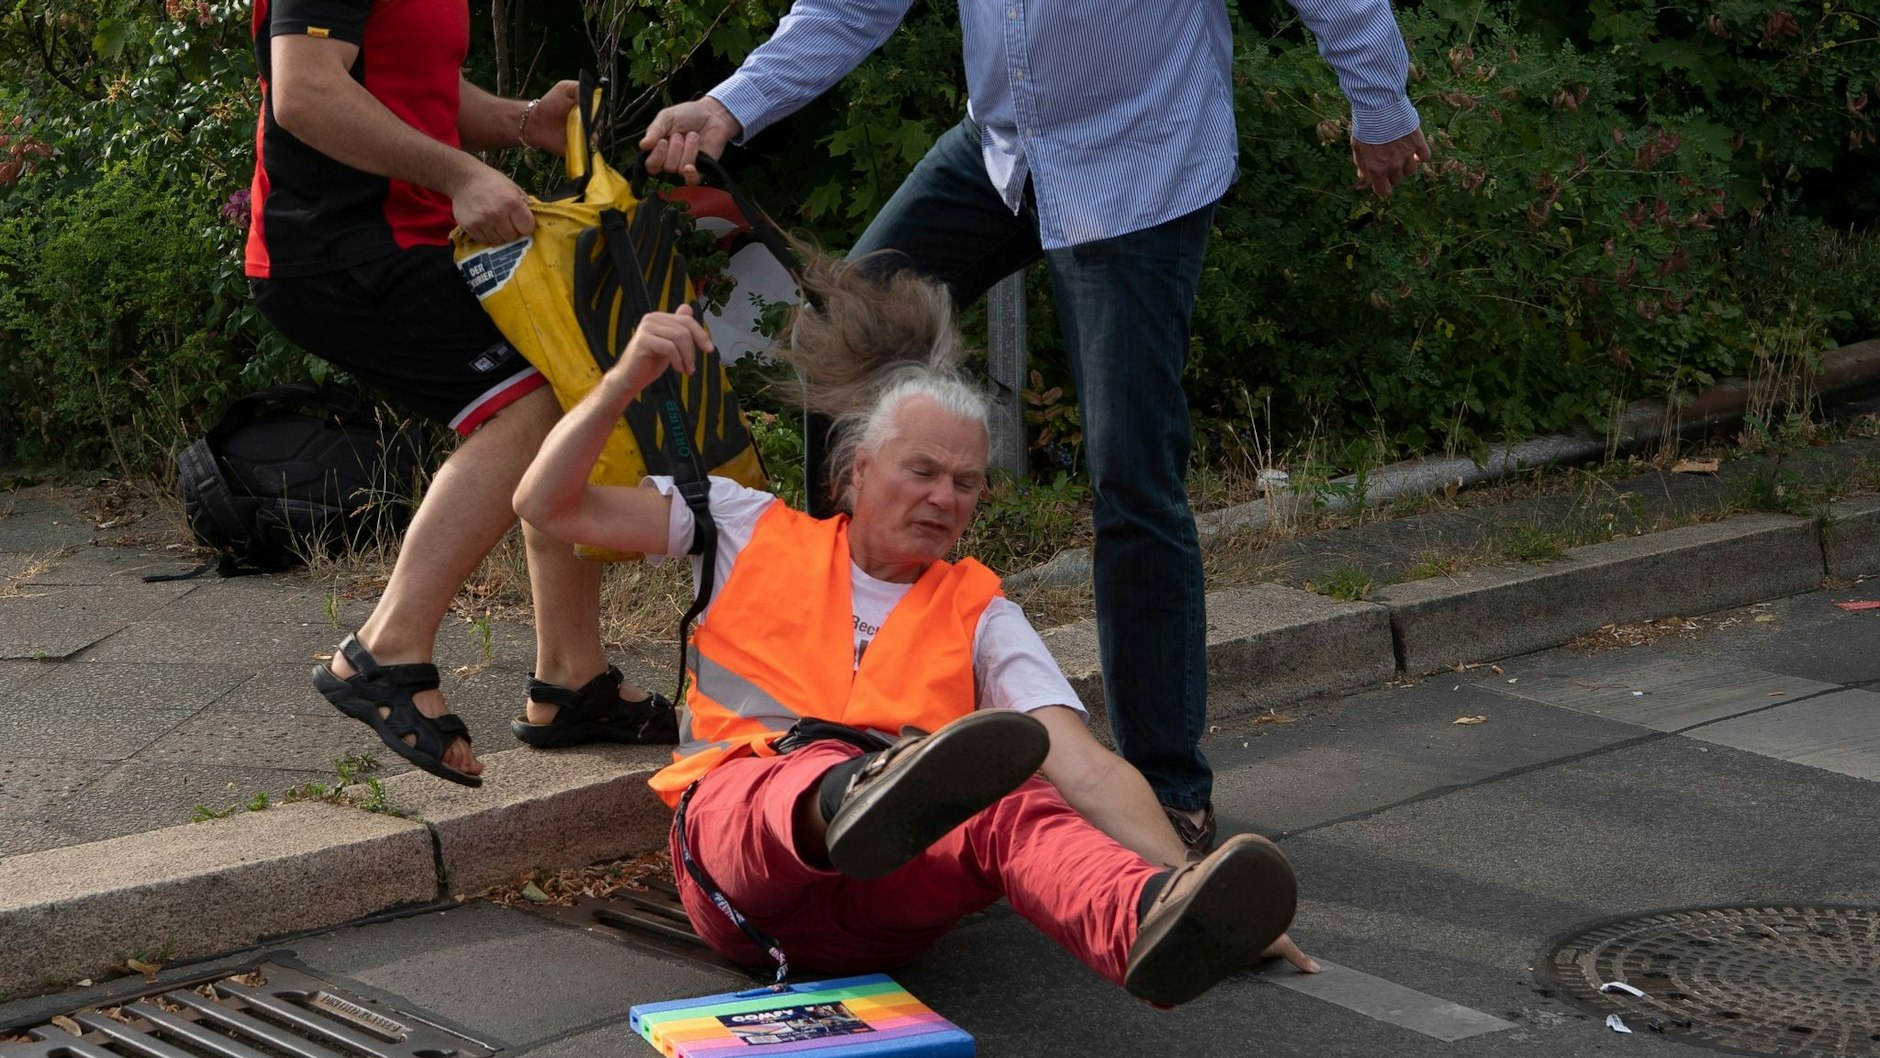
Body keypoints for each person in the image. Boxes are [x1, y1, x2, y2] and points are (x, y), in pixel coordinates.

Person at [638, 0, 1431, 852]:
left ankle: (1167, 791)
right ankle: (842, 718)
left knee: (1131, 476)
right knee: (842, 351)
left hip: (1141, 166)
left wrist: (1380, 103)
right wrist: (728, 106)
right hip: (1004, 152)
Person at [514, 257, 1317, 1006]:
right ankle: (856, 790)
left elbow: (1094, 775)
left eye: (967, 482)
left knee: (1013, 798)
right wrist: (624, 382)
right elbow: (545, 506)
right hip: (740, 869)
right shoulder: (739, 524)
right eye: (923, 471)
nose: (947, 497)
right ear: (856, 469)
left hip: (888, 909)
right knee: (787, 775)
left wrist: (1191, 885)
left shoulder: (982, 609)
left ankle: (1146, 917)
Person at [243, 0, 676, 787]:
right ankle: (385, 649)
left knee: (570, 391)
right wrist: (461, 173)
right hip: (334, 248)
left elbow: (418, 86)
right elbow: (304, 91)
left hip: (408, 237)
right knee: (534, 404)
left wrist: (521, 122)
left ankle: (572, 681)